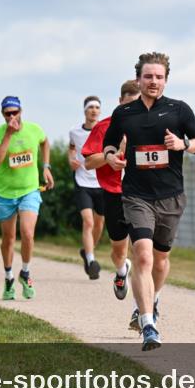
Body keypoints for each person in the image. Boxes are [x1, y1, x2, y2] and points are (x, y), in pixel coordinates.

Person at [102, 52, 195, 350]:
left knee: (161, 260)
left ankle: (152, 300)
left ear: (166, 80)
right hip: (136, 195)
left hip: (171, 197)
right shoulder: (124, 114)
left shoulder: (178, 110)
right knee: (143, 256)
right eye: (148, 76)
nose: (153, 82)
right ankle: (149, 324)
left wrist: (183, 144)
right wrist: (111, 157)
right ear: (139, 79)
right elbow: (109, 143)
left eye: (159, 77)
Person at [0, 96, 54, 300]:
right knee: (8, 238)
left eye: (14, 112)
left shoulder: (34, 129)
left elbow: (45, 142)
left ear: (21, 111)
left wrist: (45, 167)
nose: (11, 116)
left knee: (27, 232)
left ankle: (25, 273)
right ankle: (8, 278)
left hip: (29, 190)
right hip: (5, 192)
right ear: (2, 115)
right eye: (7, 113)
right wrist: (8, 134)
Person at [82, 80, 141, 300]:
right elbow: (88, 163)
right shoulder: (104, 127)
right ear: (120, 102)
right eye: (129, 104)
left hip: (142, 194)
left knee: (142, 250)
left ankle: (143, 307)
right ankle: (120, 271)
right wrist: (112, 155)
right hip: (114, 194)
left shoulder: (149, 126)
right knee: (119, 250)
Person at [69, 95, 106, 280]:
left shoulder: (106, 130)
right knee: (89, 222)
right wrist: (71, 159)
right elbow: (71, 148)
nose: (94, 110)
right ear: (85, 110)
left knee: (99, 223)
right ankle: (91, 261)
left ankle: (87, 251)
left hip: (101, 182)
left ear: (100, 111)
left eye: (97, 107)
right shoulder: (74, 132)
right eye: (90, 107)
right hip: (82, 181)